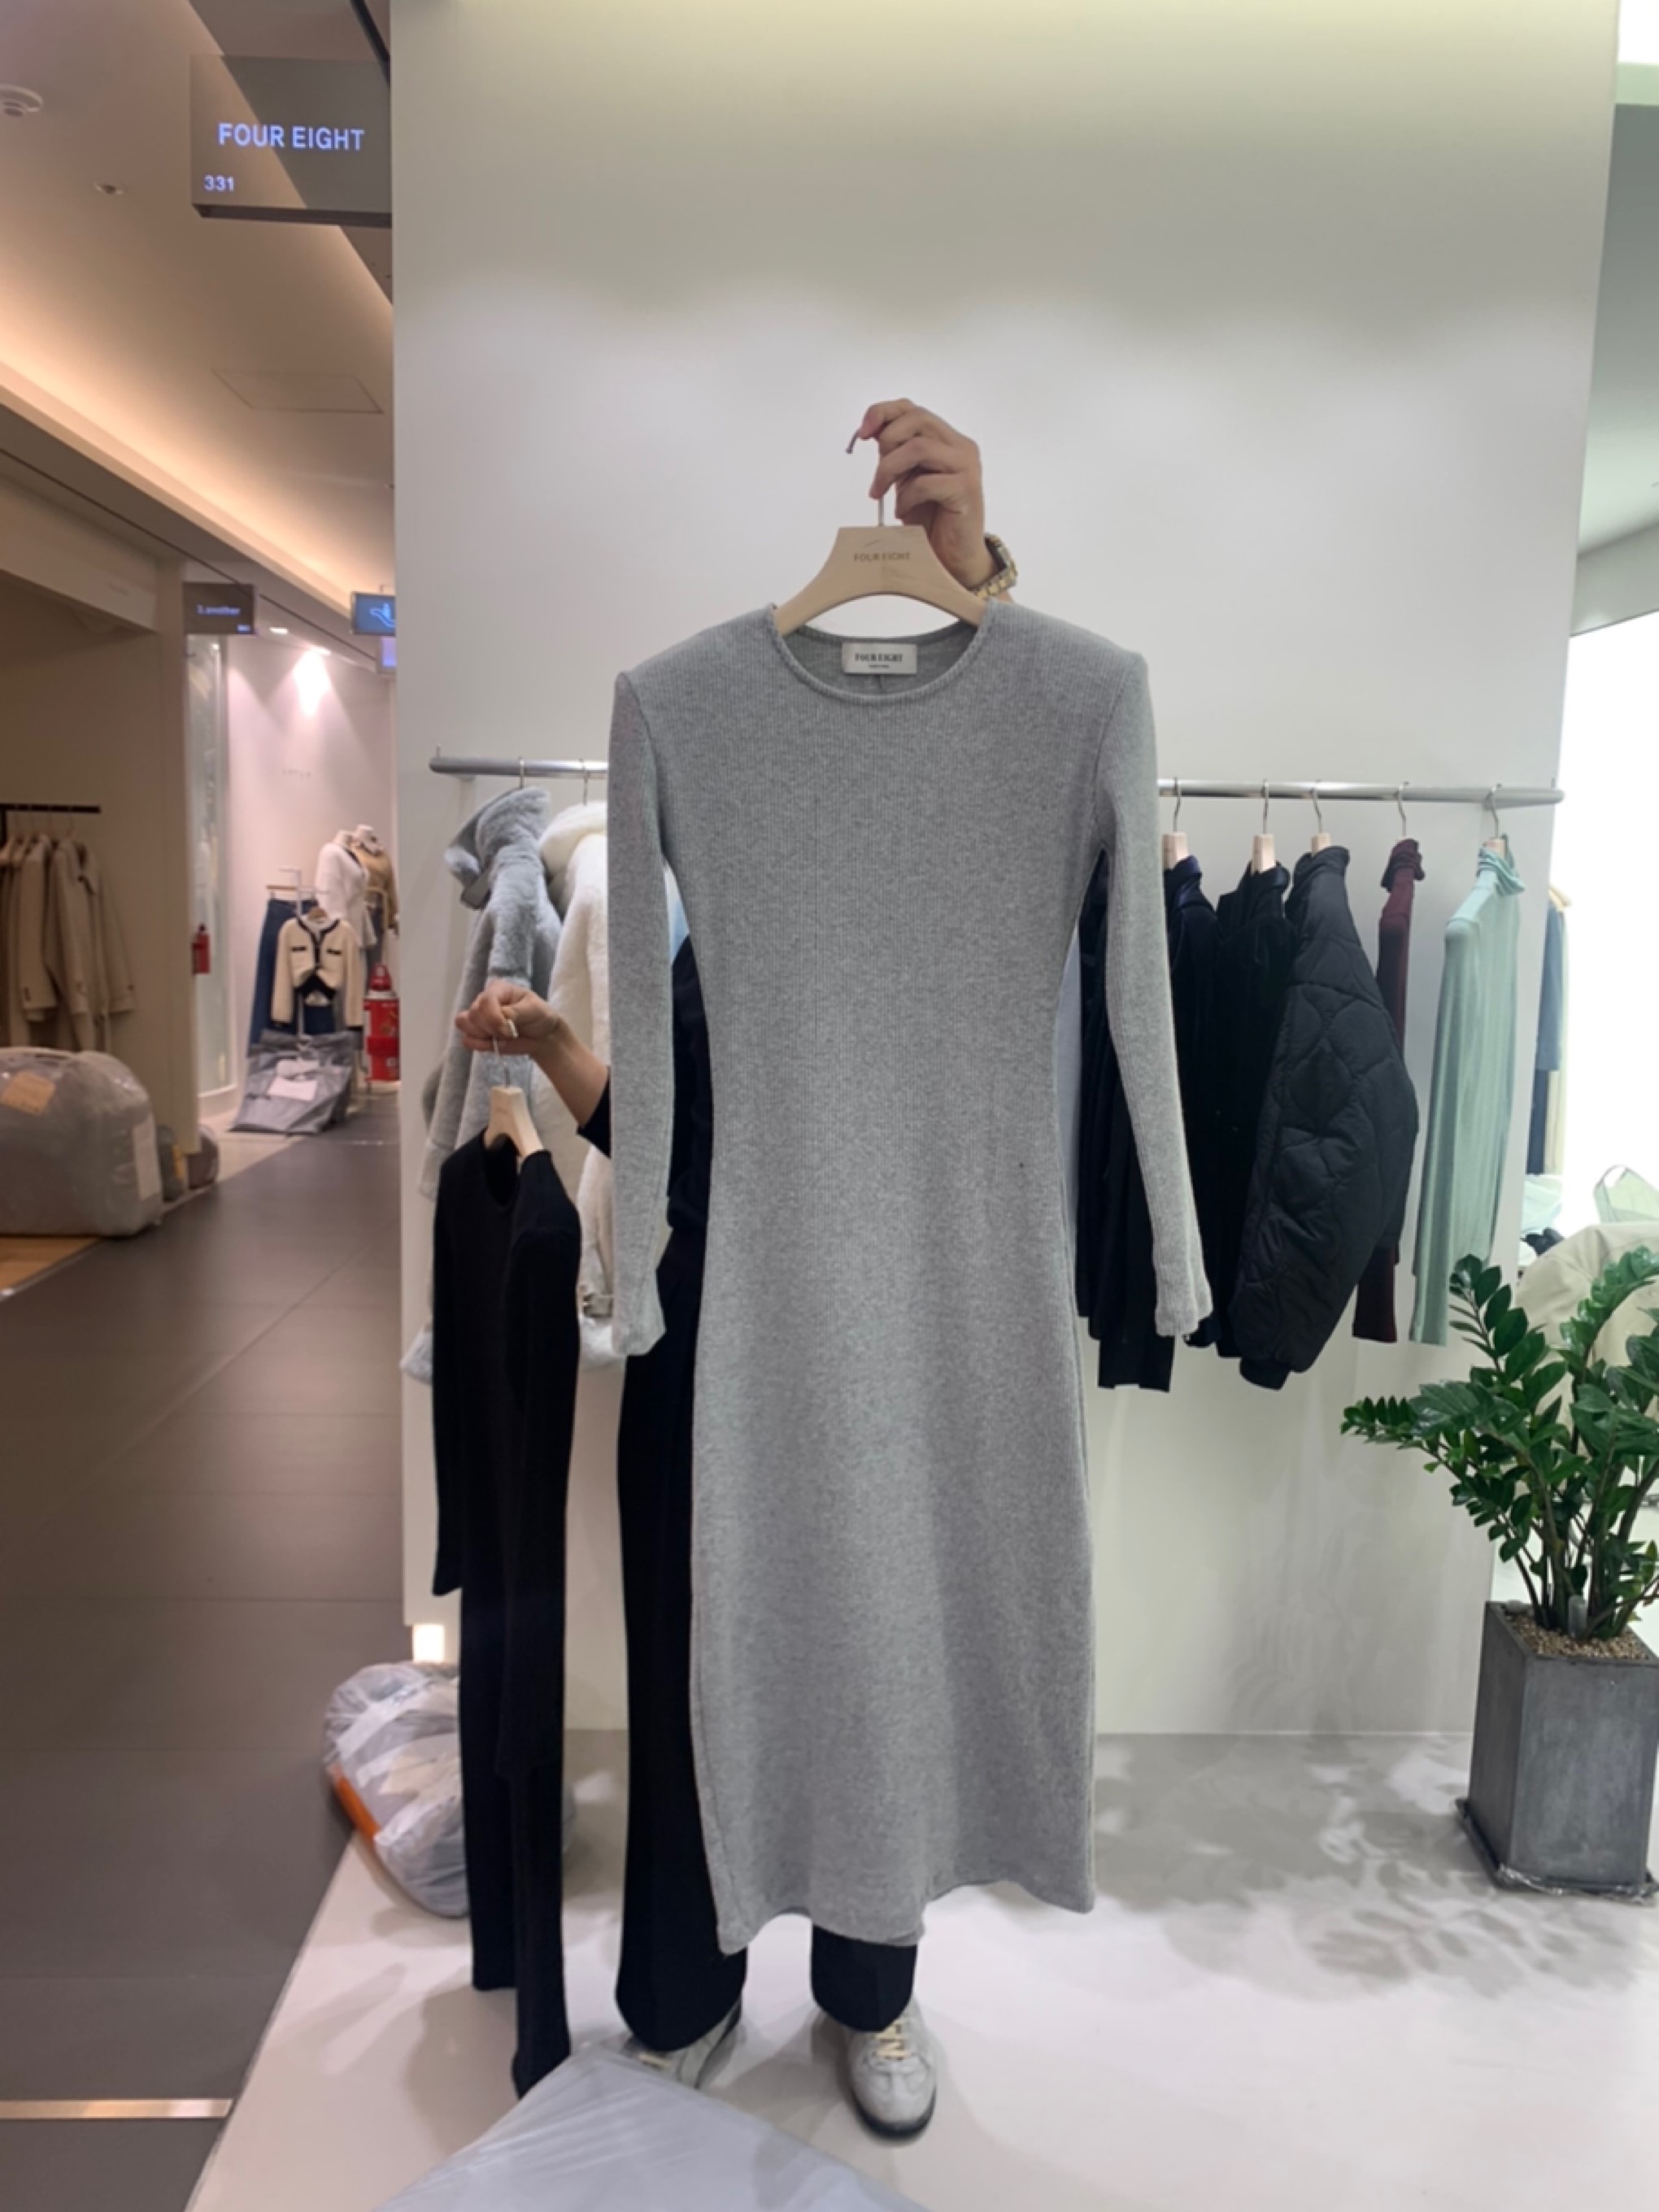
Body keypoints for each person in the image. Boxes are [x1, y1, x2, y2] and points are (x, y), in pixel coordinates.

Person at [455, 401, 1008, 2139]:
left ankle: (872, 1986)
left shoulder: (939, 906)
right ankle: (686, 1986)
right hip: (704, 1357)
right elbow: (676, 1141)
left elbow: (1022, 790)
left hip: (883, 1348)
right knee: (697, 1670)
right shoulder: (707, 922)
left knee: (873, 1669)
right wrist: (555, 1045)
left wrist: (980, 582)